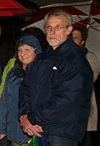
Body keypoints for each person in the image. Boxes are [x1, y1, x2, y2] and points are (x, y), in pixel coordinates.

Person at [19, 9, 93, 145]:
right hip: (38, 128)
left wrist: (32, 118)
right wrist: (25, 116)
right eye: (49, 27)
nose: (52, 32)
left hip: (62, 131)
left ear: (69, 30)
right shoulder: (41, 59)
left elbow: (67, 100)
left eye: (58, 27)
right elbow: (25, 88)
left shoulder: (75, 61)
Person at [0, 35, 42, 146]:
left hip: (33, 131)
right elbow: (4, 102)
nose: (23, 54)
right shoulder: (13, 73)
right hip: (14, 131)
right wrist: (1, 129)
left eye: (27, 50)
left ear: (36, 52)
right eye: (20, 50)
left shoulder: (42, 73)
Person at [72, 26, 100, 146]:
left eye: (76, 38)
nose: (73, 40)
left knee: (86, 139)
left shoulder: (91, 57)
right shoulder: (63, 56)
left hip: (85, 104)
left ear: (83, 41)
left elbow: (89, 78)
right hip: (68, 108)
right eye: (71, 37)